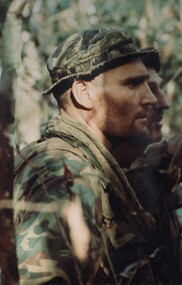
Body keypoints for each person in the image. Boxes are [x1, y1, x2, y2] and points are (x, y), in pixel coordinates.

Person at [14, 27, 164, 284]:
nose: (151, 99)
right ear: (84, 94)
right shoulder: (69, 174)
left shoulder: (74, 164)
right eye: (132, 84)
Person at [112, 50, 182, 284]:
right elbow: (151, 172)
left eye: (158, 88)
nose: (163, 103)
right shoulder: (103, 175)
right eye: (150, 89)